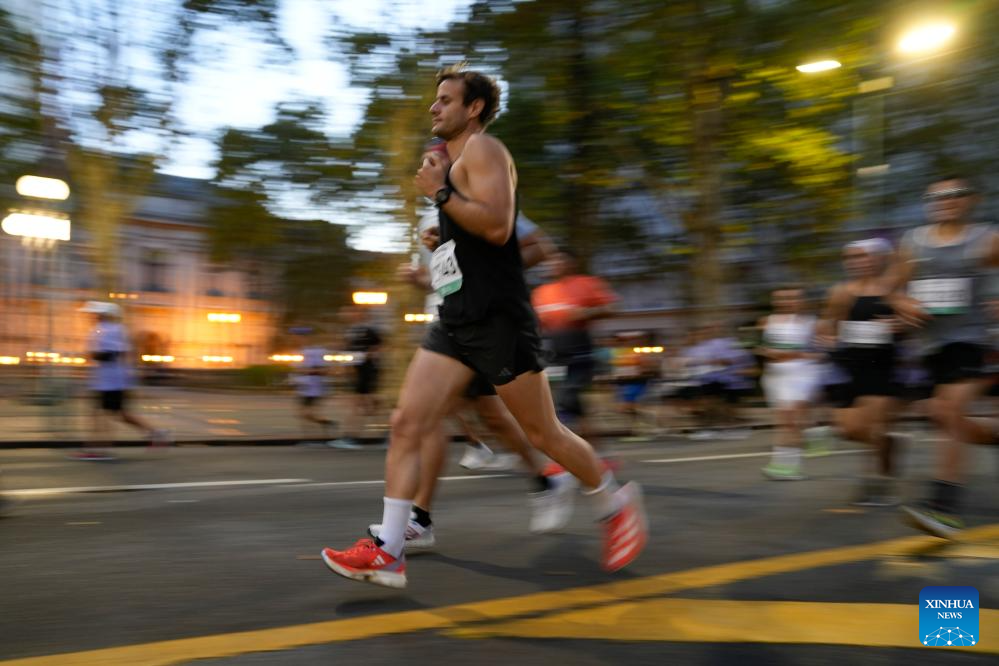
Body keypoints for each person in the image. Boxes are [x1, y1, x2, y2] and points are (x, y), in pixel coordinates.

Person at [321, 66, 646, 588]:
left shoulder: (485, 150)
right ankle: (389, 550)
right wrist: (441, 244)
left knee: (543, 433)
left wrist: (440, 194)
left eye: (445, 99)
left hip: (498, 319)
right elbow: (471, 244)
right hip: (455, 319)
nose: (434, 107)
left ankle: (614, 502)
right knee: (407, 423)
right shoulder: (454, 168)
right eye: (435, 100)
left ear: (473, 109)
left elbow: (497, 227)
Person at [889, 174, 999, 537]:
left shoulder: (987, 239)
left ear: (972, 200)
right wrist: (902, 303)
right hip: (931, 345)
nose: (947, 200)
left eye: (956, 194)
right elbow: (891, 288)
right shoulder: (913, 242)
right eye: (938, 196)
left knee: (950, 411)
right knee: (940, 414)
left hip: (975, 340)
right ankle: (994, 435)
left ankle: (944, 508)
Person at [818, 239, 904, 506]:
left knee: (873, 424)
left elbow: (913, 319)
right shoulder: (840, 292)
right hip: (848, 365)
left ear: (879, 258)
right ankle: (888, 444)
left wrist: (899, 324)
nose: (858, 262)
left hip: (882, 365)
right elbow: (827, 325)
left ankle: (875, 483)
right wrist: (828, 337)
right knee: (849, 429)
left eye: (864, 256)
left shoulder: (892, 289)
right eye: (852, 257)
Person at [532, 248, 616, 439]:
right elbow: (534, 323)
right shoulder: (541, 292)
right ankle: (592, 447)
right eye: (550, 261)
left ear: (571, 263)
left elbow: (612, 308)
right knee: (569, 403)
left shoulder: (586, 283)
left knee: (567, 398)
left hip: (580, 350)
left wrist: (586, 312)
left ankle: (572, 446)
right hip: (553, 352)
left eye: (559, 260)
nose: (553, 264)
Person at [76, 301, 169, 461]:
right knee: (118, 414)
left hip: (111, 382)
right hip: (108, 381)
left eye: (93, 313)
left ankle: (99, 450)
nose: (90, 316)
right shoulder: (104, 329)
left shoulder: (110, 330)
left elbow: (114, 354)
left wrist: (92, 354)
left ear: (102, 315)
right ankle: (156, 434)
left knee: (100, 414)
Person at [758, 287, 820, 480]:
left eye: (792, 297)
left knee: (791, 420)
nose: (786, 301)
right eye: (781, 298)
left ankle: (789, 467)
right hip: (775, 376)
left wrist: (795, 354)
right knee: (784, 422)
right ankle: (784, 464)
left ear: (801, 300)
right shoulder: (767, 321)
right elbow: (761, 348)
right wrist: (767, 352)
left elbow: (822, 352)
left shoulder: (811, 323)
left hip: (801, 374)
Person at [328, 307, 383, 449]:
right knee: (368, 407)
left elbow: (377, 347)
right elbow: (345, 350)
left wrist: (363, 357)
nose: (348, 314)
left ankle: (350, 438)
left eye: (353, 312)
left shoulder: (368, 330)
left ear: (362, 315)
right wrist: (342, 364)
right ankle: (385, 436)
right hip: (357, 372)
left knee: (357, 405)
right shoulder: (350, 331)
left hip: (366, 371)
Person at [291, 329, 335, 444]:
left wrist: (308, 371)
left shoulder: (317, 351)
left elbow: (325, 370)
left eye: (299, 337)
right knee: (303, 414)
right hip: (303, 388)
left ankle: (316, 435)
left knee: (307, 413)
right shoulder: (299, 351)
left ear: (306, 337)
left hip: (315, 388)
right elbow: (297, 369)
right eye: (295, 337)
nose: (296, 339)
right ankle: (315, 433)